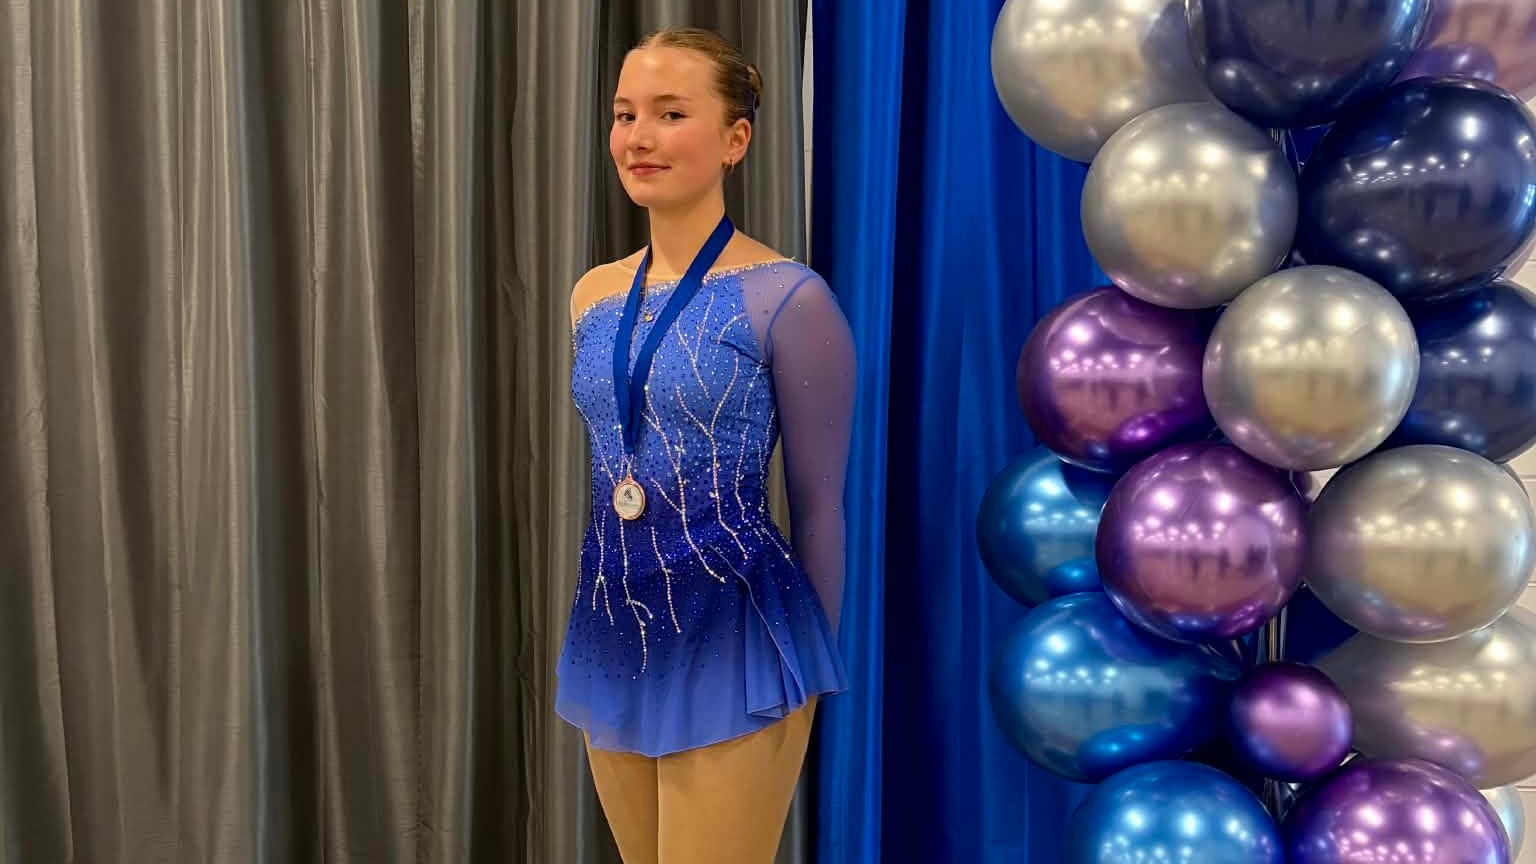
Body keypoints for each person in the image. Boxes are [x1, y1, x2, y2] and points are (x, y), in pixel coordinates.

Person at [556, 25, 855, 864]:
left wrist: (808, 675)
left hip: (737, 630)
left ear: (735, 138)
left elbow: (822, 503)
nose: (638, 137)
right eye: (624, 114)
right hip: (612, 620)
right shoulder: (592, 295)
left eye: (670, 112)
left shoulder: (789, 297)